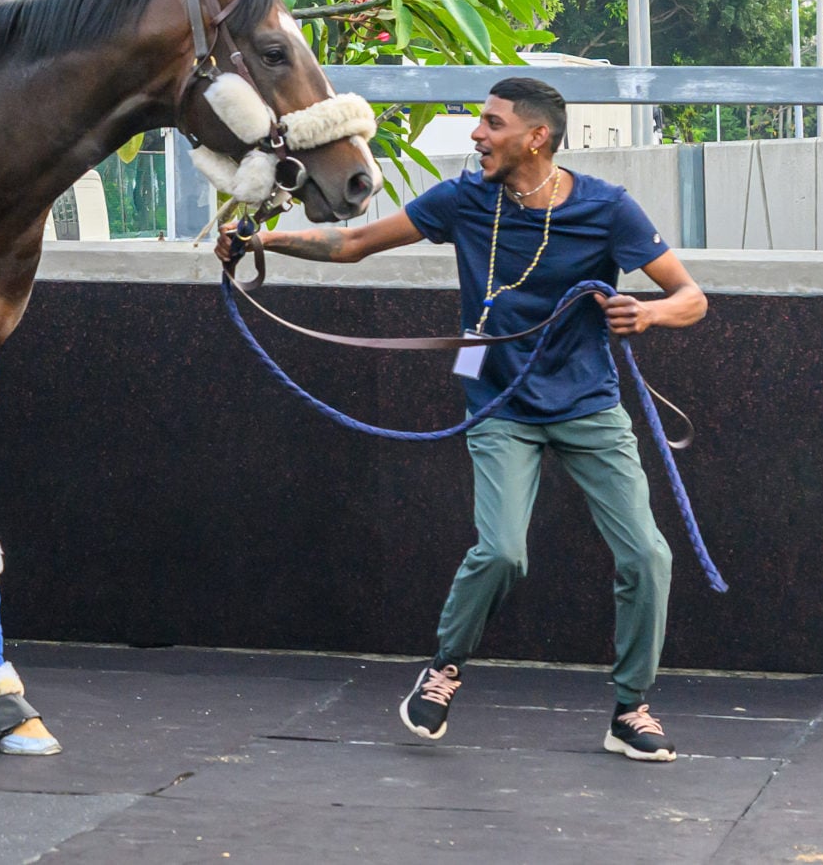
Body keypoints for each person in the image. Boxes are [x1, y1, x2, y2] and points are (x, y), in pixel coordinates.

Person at [218, 77, 708, 761]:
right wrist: (260, 241)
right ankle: (446, 666)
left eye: (491, 123)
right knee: (504, 550)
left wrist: (650, 312)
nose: (477, 134)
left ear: (535, 137)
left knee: (648, 555)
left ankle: (631, 707)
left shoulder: (606, 208)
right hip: (498, 400)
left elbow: (691, 297)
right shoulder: (465, 199)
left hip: (588, 404)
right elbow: (355, 242)